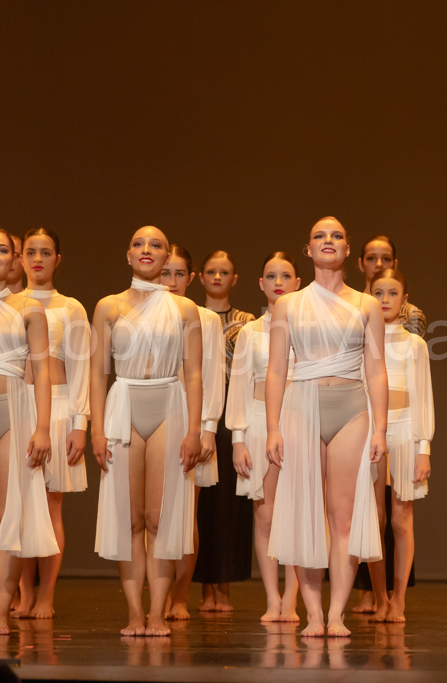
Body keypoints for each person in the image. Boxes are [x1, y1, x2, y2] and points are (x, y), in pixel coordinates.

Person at [266, 216, 387, 638]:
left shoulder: (366, 304)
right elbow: (276, 369)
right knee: (305, 514)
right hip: (302, 405)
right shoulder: (289, 304)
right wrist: (272, 427)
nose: (328, 240)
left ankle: (336, 613)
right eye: (320, 235)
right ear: (309, 249)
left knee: (343, 520)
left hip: (351, 406)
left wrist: (381, 428)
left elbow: (376, 370)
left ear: (347, 249)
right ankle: (313, 614)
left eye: (336, 235)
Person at [91, 226, 203, 636]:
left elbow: (194, 374)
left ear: (166, 257)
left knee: (159, 518)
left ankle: (157, 614)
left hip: (169, 404)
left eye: (156, 245)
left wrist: (195, 430)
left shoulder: (185, 309)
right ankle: (135, 614)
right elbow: (96, 372)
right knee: (130, 520)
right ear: (128, 254)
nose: (146, 249)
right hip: (124, 404)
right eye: (139, 243)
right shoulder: (109, 306)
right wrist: (96, 430)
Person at [13, 228, 89, 620]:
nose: (38, 259)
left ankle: (46, 595)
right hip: (15, 407)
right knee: (17, 507)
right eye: (31, 251)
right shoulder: (8, 304)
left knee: (50, 506)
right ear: (20, 257)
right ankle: (22, 593)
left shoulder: (71, 308)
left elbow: (81, 368)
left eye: (46, 252)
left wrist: (80, 423)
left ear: (58, 259)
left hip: (57, 409)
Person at [0, 228, 56, 635]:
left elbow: (43, 371)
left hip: (12, 412)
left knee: (6, 514)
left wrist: (43, 427)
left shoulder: (29, 308)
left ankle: (0, 610)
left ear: (14, 259)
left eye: (2, 249)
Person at [228, 251, 301, 622]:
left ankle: (293, 596)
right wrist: (238, 438)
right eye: (271, 276)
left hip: (300, 422)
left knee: (300, 513)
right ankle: (273, 597)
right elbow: (239, 385)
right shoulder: (250, 332)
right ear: (260, 284)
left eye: (285, 276)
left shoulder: (307, 328)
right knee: (266, 514)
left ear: (298, 283)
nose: (278, 282)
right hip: (258, 422)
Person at [364, 268, 434, 623]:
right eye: (379, 292)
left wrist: (424, 448)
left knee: (401, 519)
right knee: (373, 519)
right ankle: (379, 597)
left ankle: (400, 599)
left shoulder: (414, 344)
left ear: (405, 300)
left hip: (406, 430)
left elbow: (423, 396)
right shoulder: (361, 340)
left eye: (393, 293)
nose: (385, 300)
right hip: (370, 433)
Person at [159, 245, 221, 620]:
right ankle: (158, 594)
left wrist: (207, 428)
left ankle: (180, 595)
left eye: (179, 274)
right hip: (155, 419)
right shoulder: (146, 314)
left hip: (191, 424)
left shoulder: (205, 319)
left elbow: (211, 376)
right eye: (165, 273)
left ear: (191, 277)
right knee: (152, 516)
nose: (171, 281)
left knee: (185, 516)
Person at [193, 250, 255, 612]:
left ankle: (225, 587)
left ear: (235, 279)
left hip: (233, 410)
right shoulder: (189, 314)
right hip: (197, 411)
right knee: (201, 503)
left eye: (224, 272)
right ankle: (203, 588)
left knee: (230, 503)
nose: (217, 277)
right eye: (211, 271)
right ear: (200, 277)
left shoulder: (245, 322)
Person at [357, 236, 426, 338]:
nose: (379, 264)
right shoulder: (351, 308)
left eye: (386, 259)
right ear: (361, 264)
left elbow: (417, 346)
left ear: (395, 264)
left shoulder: (412, 315)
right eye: (371, 258)